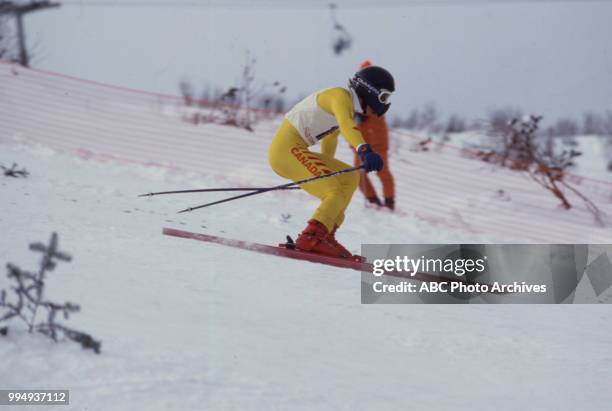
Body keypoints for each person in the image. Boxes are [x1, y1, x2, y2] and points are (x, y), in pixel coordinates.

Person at [268, 65, 395, 258]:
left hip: (294, 149)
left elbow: (330, 138)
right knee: (333, 191)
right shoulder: (340, 97)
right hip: (285, 151)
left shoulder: (346, 106)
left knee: (350, 177)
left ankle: (325, 234)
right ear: (370, 91)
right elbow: (346, 126)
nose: (385, 103)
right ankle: (311, 238)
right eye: (384, 97)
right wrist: (364, 149)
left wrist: (325, 172)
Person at [353, 60, 396, 210]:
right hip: (360, 144)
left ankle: (389, 202)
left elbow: (376, 113)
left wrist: (363, 116)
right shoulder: (358, 96)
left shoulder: (377, 96)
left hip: (376, 143)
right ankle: (372, 200)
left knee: (382, 172)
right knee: (358, 173)